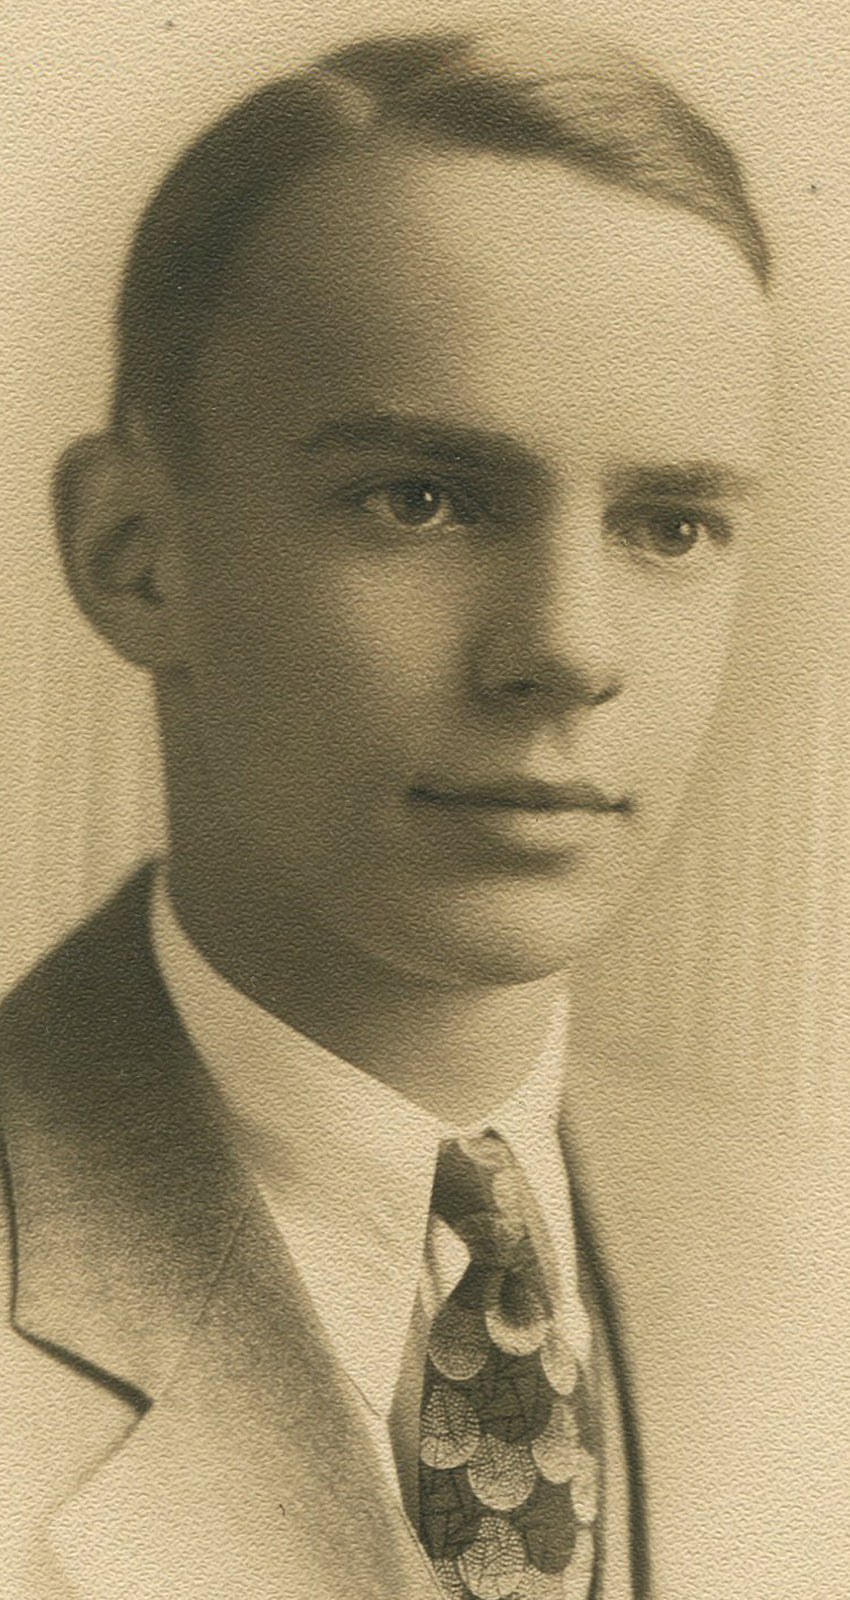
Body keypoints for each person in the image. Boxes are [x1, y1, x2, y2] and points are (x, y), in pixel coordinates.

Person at [0, 26, 773, 1600]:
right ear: (137, 553)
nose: (566, 646)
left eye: (668, 523)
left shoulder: (804, 1239)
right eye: (420, 499)